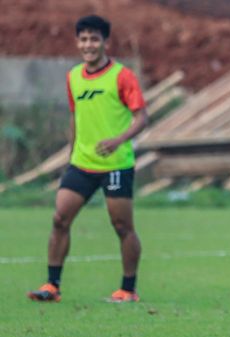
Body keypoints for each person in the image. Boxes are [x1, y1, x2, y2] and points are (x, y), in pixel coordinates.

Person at [27, 15, 148, 303]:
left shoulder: (122, 76)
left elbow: (141, 117)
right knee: (59, 218)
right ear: (77, 43)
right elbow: (75, 117)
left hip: (116, 164)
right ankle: (52, 286)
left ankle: (128, 289)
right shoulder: (74, 77)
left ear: (105, 42)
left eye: (94, 39)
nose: (88, 44)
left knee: (122, 227)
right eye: (83, 39)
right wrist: (71, 156)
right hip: (82, 163)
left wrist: (118, 140)